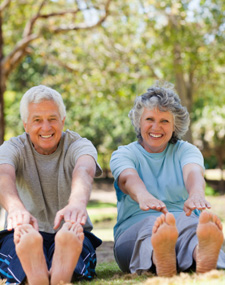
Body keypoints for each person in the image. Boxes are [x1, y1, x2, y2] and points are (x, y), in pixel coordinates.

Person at [110, 81, 225, 277]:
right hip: (133, 232)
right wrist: (143, 196)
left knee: (190, 226)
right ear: (139, 122)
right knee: (153, 226)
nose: (156, 127)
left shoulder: (186, 150)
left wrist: (196, 194)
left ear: (175, 125)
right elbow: (127, 179)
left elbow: (193, 173)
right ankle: (160, 257)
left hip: (182, 221)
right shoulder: (124, 154)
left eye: (164, 121)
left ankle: (203, 257)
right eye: (149, 119)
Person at [0, 85, 102, 285]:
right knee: (17, 244)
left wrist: (76, 203)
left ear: (62, 121)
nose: (46, 127)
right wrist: (15, 209)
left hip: (71, 231)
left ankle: (44, 274)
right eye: (37, 120)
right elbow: (3, 173)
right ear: (25, 124)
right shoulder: (12, 148)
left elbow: (84, 170)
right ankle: (53, 273)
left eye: (52, 119)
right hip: (23, 231)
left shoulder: (78, 144)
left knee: (75, 242)